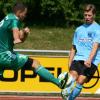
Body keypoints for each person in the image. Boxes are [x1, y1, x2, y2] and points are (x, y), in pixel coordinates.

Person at [0, 2, 68, 89]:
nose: (25, 15)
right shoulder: (14, 20)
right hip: (4, 55)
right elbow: (16, 35)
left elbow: (21, 39)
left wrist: (24, 33)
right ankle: (59, 83)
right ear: (19, 12)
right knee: (34, 63)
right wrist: (16, 38)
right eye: (25, 14)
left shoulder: (8, 17)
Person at [61, 4, 100, 100]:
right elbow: (73, 48)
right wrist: (69, 62)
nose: (87, 17)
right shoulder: (78, 29)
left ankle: (69, 99)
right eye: (85, 15)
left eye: (89, 15)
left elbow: (95, 46)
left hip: (91, 61)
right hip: (77, 59)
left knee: (80, 80)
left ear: (94, 15)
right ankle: (66, 95)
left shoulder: (98, 29)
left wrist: (89, 60)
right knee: (71, 78)